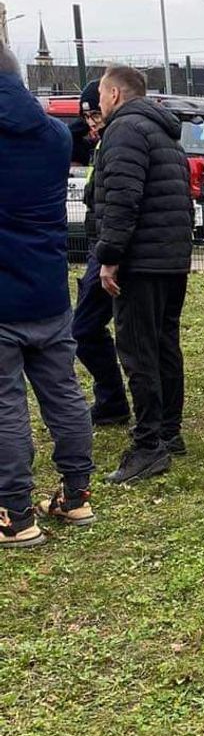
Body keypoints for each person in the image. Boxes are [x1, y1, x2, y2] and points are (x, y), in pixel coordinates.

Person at [0, 43, 96, 547]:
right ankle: (76, 495)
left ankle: (15, 514)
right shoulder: (55, 138)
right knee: (63, 393)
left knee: (5, 405)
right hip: (48, 291)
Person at [90, 66, 193, 484]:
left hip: (140, 262)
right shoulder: (163, 132)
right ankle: (169, 433)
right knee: (166, 343)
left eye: (99, 95)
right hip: (171, 258)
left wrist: (109, 257)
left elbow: (121, 199)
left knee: (137, 351)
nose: (97, 104)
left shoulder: (125, 131)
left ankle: (148, 446)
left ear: (114, 93)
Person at [70, 79, 132, 428]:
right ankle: (111, 400)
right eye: (87, 118)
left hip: (106, 250)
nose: (92, 123)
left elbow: (117, 203)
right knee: (88, 328)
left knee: (85, 328)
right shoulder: (102, 141)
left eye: (96, 114)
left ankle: (113, 401)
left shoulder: (117, 141)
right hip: (101, 247)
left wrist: (108, 256)